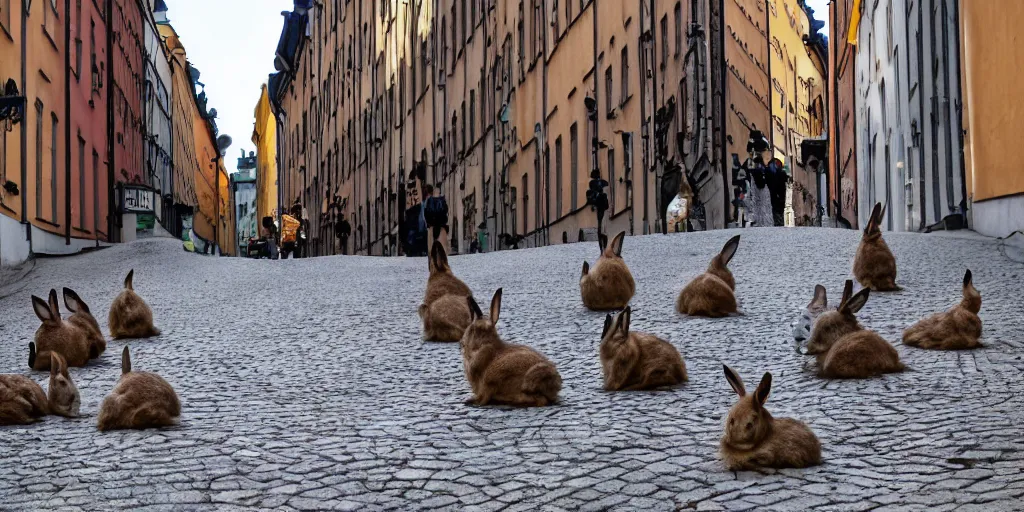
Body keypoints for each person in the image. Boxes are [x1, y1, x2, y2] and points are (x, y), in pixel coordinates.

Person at [422, 184, 450, 255]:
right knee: (442, 250)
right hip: (441, 225)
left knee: (431, 251)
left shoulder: (427, 201)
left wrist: (428, 224)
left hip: (432, 226)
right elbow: (445, 211)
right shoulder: (442, 200)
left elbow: (426, 214)